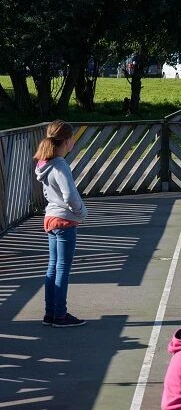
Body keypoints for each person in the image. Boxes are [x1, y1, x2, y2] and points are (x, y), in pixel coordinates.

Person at [34, 120, 88, 328]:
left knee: (53, 267)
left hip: (51, 218)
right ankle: (60, 314)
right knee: (63, 269)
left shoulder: (44, 163)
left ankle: (50, 312)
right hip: (65, 220)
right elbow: (70, 195)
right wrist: (81, 212)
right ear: (67, 141)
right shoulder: (59, 164)